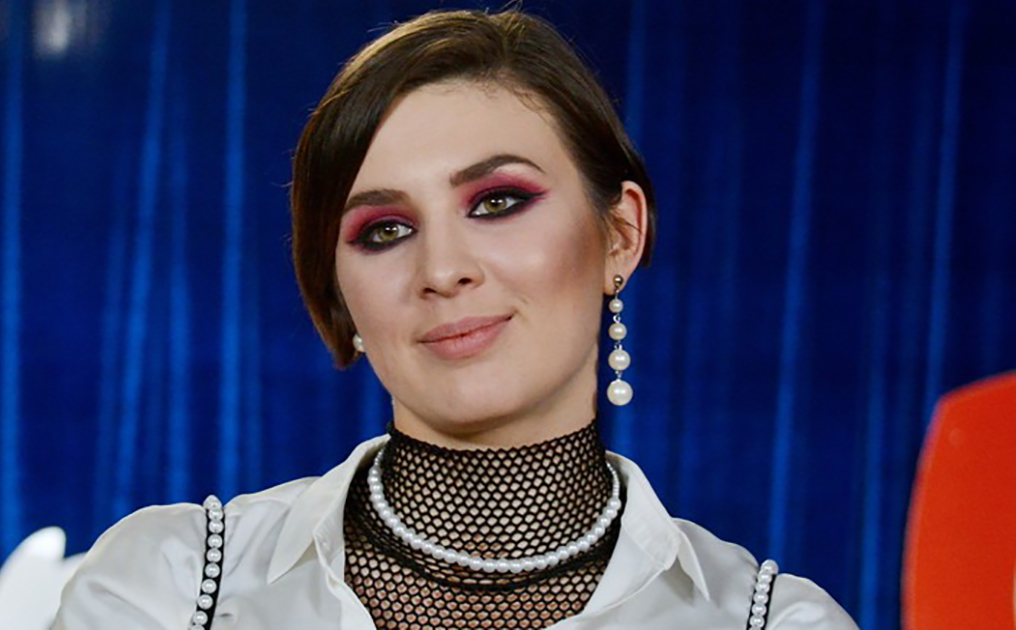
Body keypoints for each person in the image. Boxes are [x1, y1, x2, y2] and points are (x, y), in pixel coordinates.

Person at [53, 9, 858, 629]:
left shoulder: (769, 621)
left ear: (620, 234)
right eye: (384, 231)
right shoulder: (172, 587)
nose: (441, 271)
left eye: (497, 202)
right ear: (340, 293)